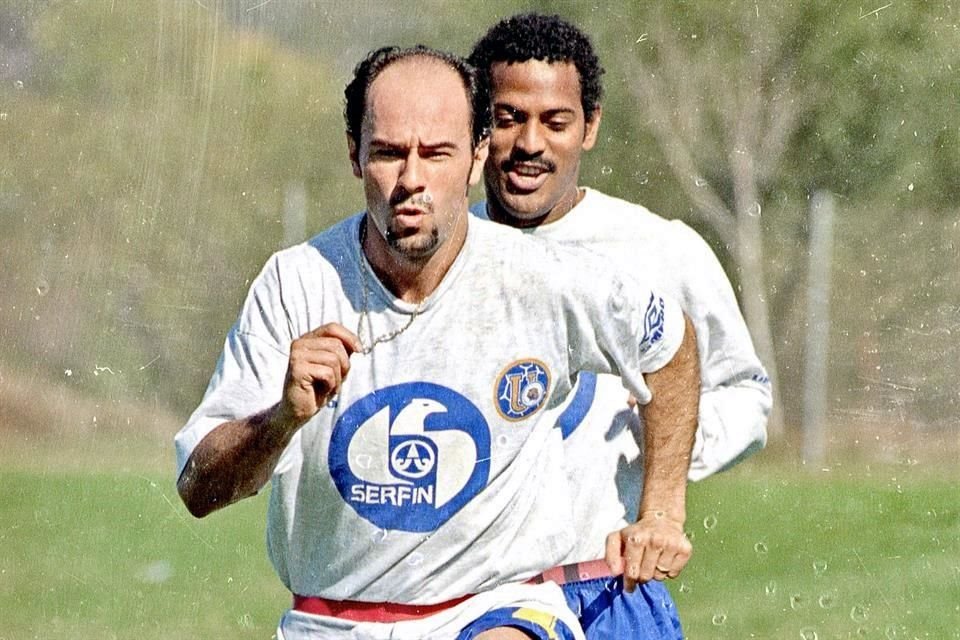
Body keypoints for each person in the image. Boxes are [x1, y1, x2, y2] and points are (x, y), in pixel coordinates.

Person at [174, 44, 701, 640]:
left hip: (496, 607)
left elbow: (670, 343)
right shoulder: (297, 282)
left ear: (477, 157)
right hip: (331, 617)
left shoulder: (542, 278)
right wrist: (280, 420)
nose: (412, 180)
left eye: (437, 154)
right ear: (354, 154)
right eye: (389, 154)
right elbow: (198, 490)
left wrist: (661, 510)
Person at [468, 13, 772, 639]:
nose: (531, 144)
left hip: (609, 589)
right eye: (507, 119)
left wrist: (663, 442)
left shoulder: (660, 248)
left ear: (591, 126)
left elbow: (746, 396)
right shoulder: (445, 255)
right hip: (472, 597)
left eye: (556, 122)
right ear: (477, 127)